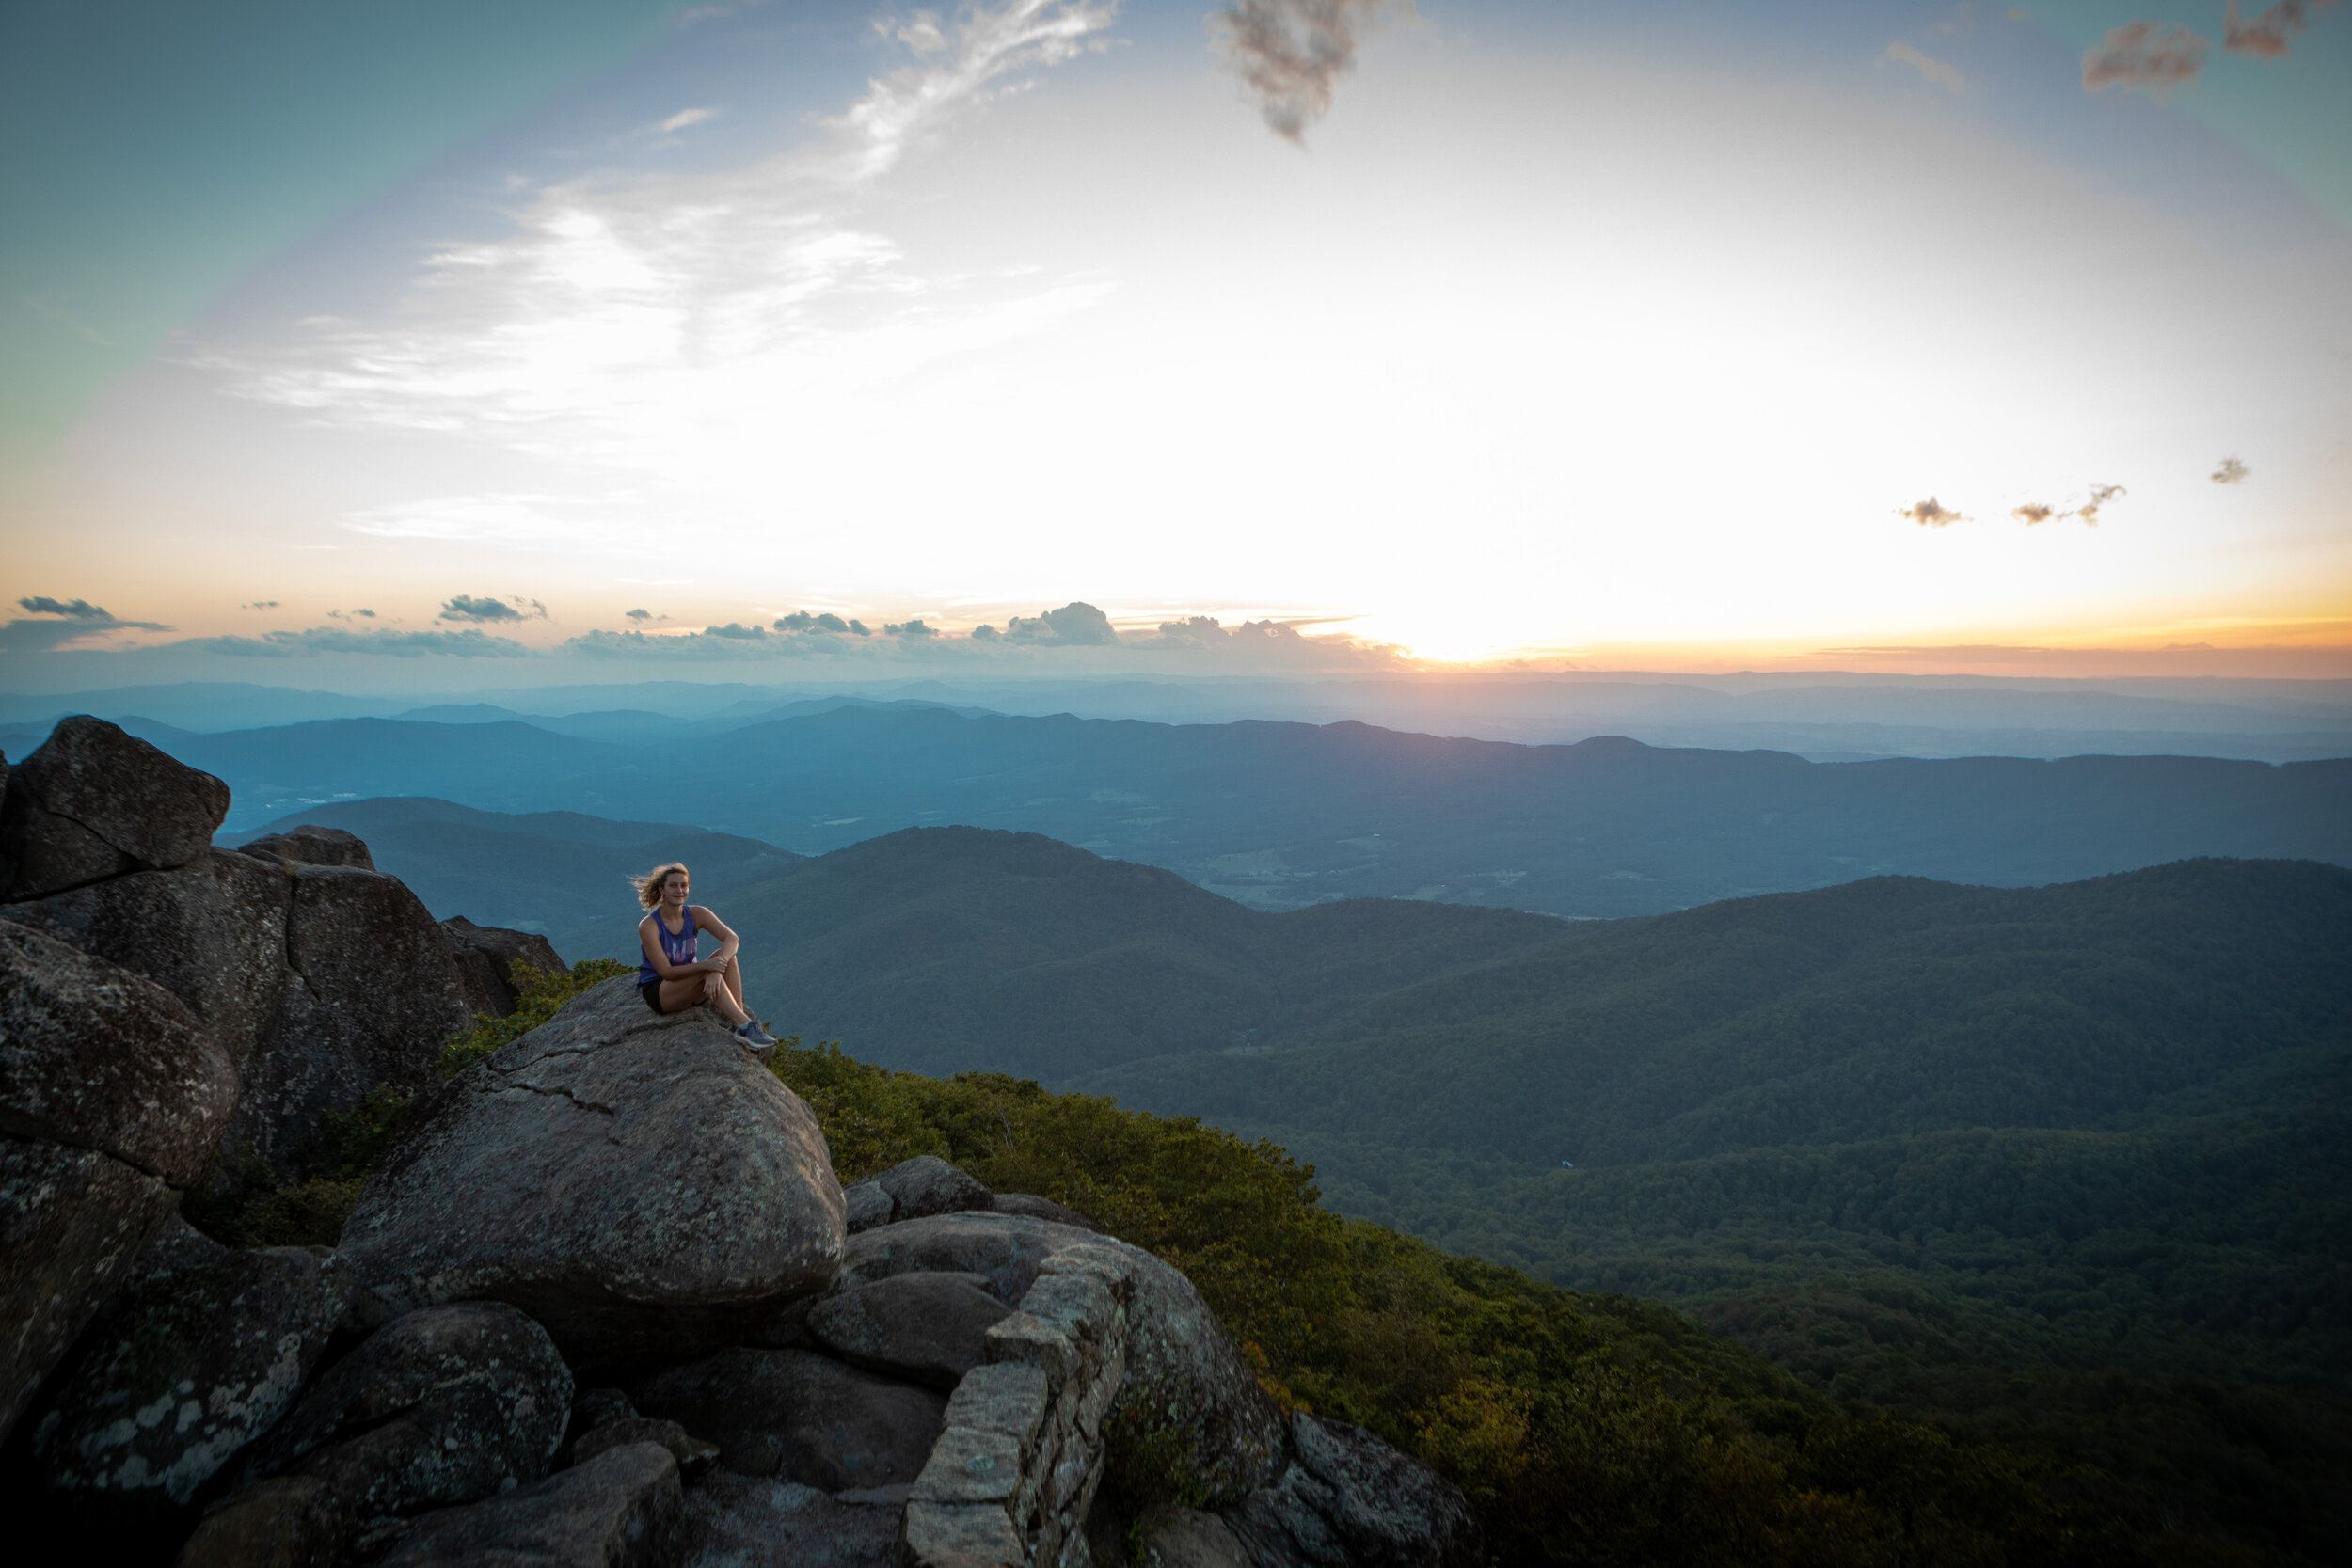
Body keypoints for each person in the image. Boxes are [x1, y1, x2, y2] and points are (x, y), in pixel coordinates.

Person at [632, 862, 780, 1050]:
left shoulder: (697, 914)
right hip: (662, 992)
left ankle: (740, 1025)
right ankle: (746, 1025)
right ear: (661, 889)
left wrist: (717, 970)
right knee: (709, 966)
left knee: (728, 957)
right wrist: (706, 968)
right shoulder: (649, 926)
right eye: (673, 885)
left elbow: (732, 938)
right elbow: (666, 972)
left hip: (694, 984)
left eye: (684, 885)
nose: (679, 890)